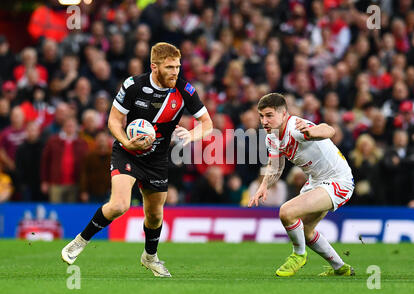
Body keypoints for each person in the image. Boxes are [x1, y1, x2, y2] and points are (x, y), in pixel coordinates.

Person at [61, 42, 213, 277]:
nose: (176, 72)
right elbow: (113, 121)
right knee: (120, 205)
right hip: (128, 152)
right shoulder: (133, 86)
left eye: (178, 67)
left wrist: (191, 135)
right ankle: (80, 241)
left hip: (158, 159)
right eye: (170, 67)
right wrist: (126, 141)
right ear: (154, 66)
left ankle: (150, 257)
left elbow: (208, 124)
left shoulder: (184, 90)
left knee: (154, 215)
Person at [248, 93, 355, 277]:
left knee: (287, 212)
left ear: (284, 114)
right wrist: (263, 186)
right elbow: (275, 167)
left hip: (339, 180)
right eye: (261, 116)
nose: (264, 121)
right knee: (305, 230)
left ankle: (298, 255)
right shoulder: (271, 137)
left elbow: (329, 130)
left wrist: (312, 132)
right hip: (316, 181)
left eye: (269, 115)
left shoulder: (296, 128)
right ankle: (341, 268)